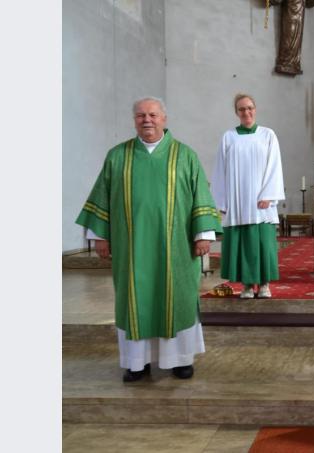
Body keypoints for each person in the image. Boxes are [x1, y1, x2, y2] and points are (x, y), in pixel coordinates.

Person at [76, 97, 222, 382]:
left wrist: (203, 235)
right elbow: (102, 196)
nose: (147, 120)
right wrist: (100, 236)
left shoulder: (185, 156)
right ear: (134, 120)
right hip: (132, 248)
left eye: (153, 115)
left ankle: (181, 360)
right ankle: (136, 363)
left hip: (177, 247)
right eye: (141, 115)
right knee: (134, 300)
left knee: (178, 298)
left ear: (164, 119)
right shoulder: (118, 156)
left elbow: (200, 197)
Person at [211, 93, 285, 299]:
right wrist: (222, 201)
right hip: (238, 201)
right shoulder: (229, 137)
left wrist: (269, 194)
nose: (246, 112)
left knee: (263, 243)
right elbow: (220, 170)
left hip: (261, 201)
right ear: (237, 112)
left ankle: (264, 284)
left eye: (250, 108)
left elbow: (274, 165)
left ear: (255, 109)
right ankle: (246, 285)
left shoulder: (267, 135)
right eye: (242, 109)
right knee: (242, 243)